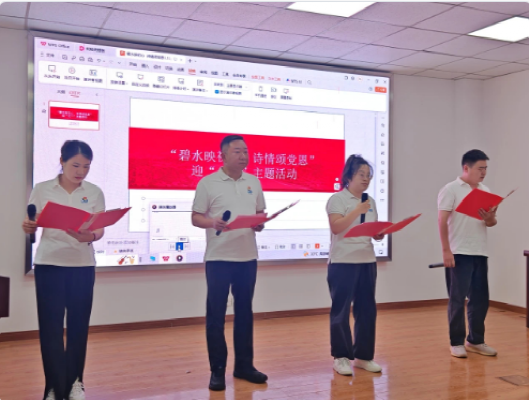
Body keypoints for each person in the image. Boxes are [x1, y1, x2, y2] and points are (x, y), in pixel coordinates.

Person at [22, 140, 105, 400]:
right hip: (49, 264)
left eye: (86, 166)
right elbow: (33, 221)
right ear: (62, 161)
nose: (81, 171)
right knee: (51, 329)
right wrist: (29, 226)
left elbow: (99, 229)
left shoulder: (94, 192)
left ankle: (75, 382)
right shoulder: (43, 189)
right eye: (75, 165)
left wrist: (90, 235)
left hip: (82, 265)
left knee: (79, 327)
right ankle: (53, 387)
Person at [191, 135, 268, 391]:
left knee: (245, 313)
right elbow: (196, 217)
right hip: (219, 258)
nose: (243, 156)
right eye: (237, 151)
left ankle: (244, 366)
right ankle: (217, 370)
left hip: (247, 257)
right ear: (223, 155)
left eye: (246, 151)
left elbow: (260, 213)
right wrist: (212, 222)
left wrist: (259, 223)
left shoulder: (254, 182)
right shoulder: (207, 183)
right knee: (216, 316)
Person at [326, 155, 385, 376]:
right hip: (343, 262)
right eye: (362, 174)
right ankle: (341, 357)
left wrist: (378, 233)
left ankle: (364, 356)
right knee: (340, 311)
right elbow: (336, 227)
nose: (366, 179)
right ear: (349, 176)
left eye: (369, 175)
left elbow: (371, 228)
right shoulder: (337, 199)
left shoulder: (371, 202)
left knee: (367, 310)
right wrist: (356, 211)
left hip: (367, 261)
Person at [438, 149, 499, 359]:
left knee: (480, 299)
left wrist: (490, 218)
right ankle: (456, 342)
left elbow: (491, 223)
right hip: (458, 252)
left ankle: (475, 340)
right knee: (457, 300)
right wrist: (446, 250)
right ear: (466, 168)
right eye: (480, 168)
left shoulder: (485, 190)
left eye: (485, 169)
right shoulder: (451, 189)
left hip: (480, 251)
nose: (484, 173)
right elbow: (441, 221)